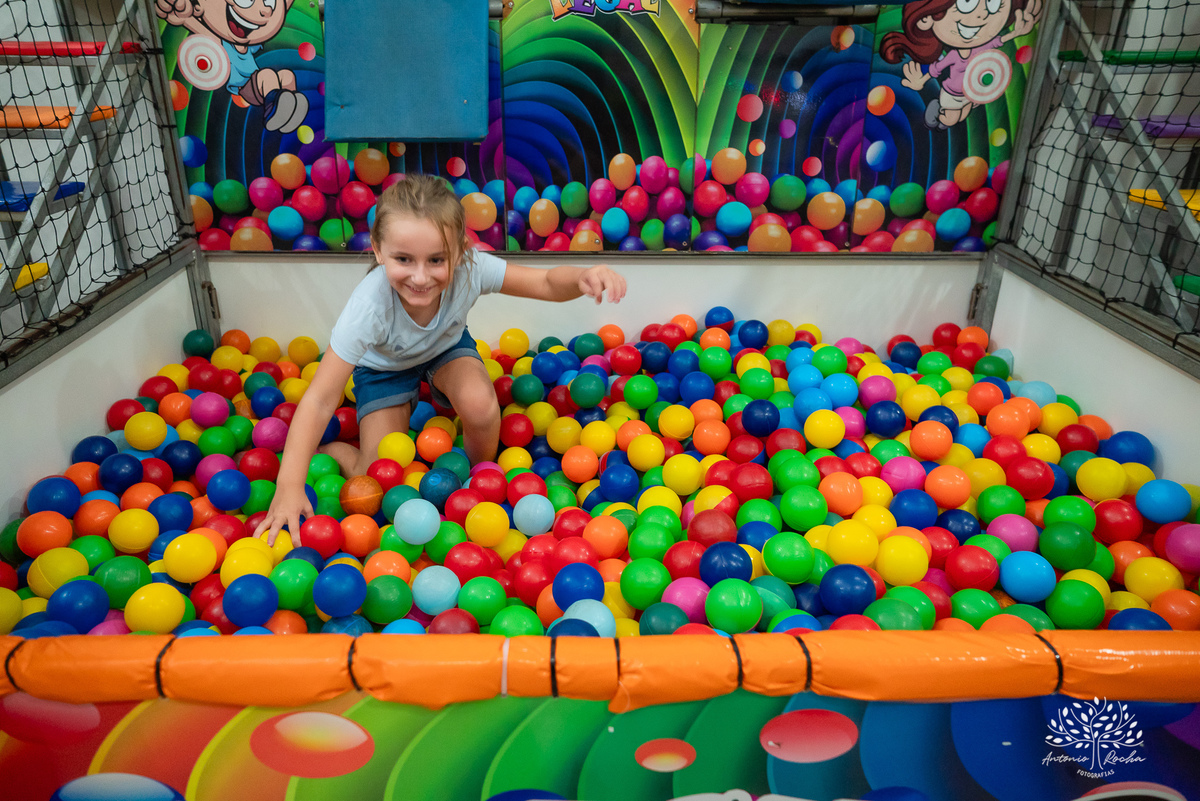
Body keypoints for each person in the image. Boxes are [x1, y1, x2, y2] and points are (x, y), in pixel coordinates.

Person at [255, 175, 626, 544]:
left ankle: (477, 479)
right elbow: (320, 399)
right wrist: (290, 484)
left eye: (436, 260)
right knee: (375, 479)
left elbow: (543, 283)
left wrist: (583, 275)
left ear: (461, 252)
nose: (420, 276)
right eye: (403, 259)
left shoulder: (471, 268)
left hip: (444, 350)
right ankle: (333, 450)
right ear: (378, 250)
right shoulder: (368, 307)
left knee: (481, 406)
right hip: (384, 370)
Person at [880, 0, 1040, 129]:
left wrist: (1016, 33)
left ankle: (942, 112)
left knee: (963, 114)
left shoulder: (981, 47)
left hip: (970, 93)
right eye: (967, 3)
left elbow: (998, 41)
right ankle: (940, 114)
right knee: (953, 119)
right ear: (926, 19)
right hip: (952, 94)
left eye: (993, 4)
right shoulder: (954, 55)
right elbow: (937, 69)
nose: (982, 14)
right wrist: (920, 81)